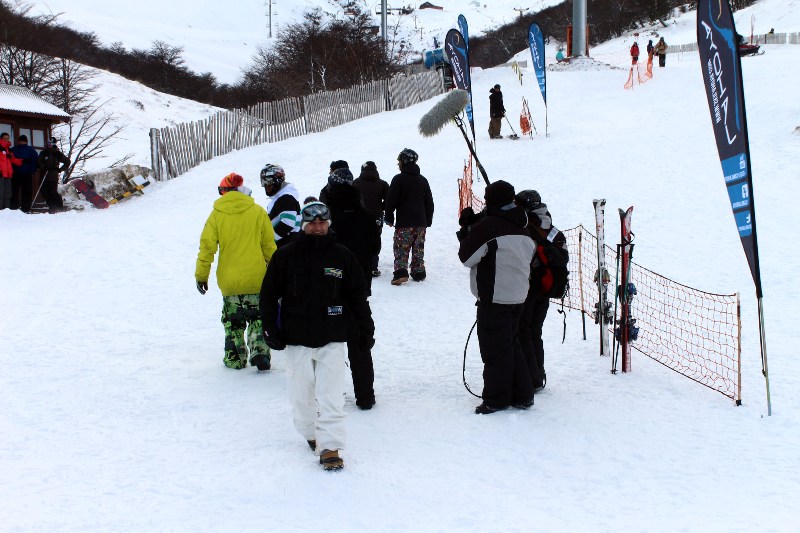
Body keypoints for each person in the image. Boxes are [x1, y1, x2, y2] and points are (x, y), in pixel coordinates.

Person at [260, 201, 375, 470]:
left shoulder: (342, 256)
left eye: (322, 223)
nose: (318, 227)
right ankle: (311, 433)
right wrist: (270, 327)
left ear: (328, 224)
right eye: (312, 223)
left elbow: (358, 297)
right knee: (301, 397)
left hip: (331, 337)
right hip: (296, 338)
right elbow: (268, 295)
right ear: (303, 225)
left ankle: (331, 447)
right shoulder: (285, 256)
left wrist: (365, 328)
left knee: (331, 396)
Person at [457, 180, 535, 414]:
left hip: (495, 297)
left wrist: (468, 231)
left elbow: (466, 257)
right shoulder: (523, 225)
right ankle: (522, 394)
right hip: (519, 295)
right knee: (512, 345)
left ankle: (496, 398)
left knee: (494, 350)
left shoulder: (489, 227)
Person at [195, 173, 277, 371]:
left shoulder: (216, 215)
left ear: (224, 191)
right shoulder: (257, 212)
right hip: (256, 279)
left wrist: (201, 275)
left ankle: (235, 357)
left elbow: (207, 248)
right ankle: (259, 352)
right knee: (258, 318)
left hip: (229, 281)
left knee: (233, 322)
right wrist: (277, 272)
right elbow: (269, 246)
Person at [324, 167, 380, 410]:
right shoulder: (366, 215)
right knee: (360, 343)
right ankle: (365, 396)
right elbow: (375, 247)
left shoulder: (326, 218)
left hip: (329, 288)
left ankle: (330, 395)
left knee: (327, 346)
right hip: (359, 287)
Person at [514, 190, 562, 392]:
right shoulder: (551, 227)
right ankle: (538, 374)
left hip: (529, 286)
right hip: (546, 288)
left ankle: (531, 377)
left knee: (523, 331)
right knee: (535, 331)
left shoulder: (526, 226)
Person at [384, 148, 434, 285]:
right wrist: (427, 221)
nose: (398, 163)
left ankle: (401, 273)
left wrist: (389, 218)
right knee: (418, 249)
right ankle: (418, 272)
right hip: (421, 223)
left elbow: (390, 200)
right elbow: (429, 203)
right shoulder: (423, 180)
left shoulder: (398, 179)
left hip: (405, 223)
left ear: (404, 161)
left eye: (399, 161)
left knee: (401, 247)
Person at [353, 160, 389, 277]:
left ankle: (360, 266)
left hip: (359, 216)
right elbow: (389, 200)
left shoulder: (355, 183)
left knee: (359, 239)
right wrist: (380, 207)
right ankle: (373, 267)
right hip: (376, 216)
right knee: (375, 240)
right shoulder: (382, 184)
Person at [260, 163, 300, 247]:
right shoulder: (278, 199)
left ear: (279, 180)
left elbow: (287, 224)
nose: (266, 185)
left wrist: (267, 242)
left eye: (269, 181)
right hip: (284, 246)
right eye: (263, 182)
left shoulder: (286, 198)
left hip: (287, 247)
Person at [36, 137, 70, 213]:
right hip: (44, 175)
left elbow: (67, 161)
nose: (49, 145)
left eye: (50, 143)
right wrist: (42, 166)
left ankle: (59, 207)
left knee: (53, 192)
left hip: (53, 176)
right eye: (48, 143)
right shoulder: (43, 153)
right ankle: (52, 207)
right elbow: (38, 161)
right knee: (44, 192)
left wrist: (61, 169)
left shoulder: (57, 153)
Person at [10, 134, 38, 212]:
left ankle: (13, 208)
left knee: (14, 191)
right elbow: (35, 161)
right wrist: (32, 171)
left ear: (19, 141)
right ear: (26, 141)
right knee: (27, 192)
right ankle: (25, 208)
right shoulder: (31, 150)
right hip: (27, 173)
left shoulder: (13, 149)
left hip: (15, 173)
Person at [0, 132, 21, 210]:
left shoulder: (8, 149)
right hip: (1, 173)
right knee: (0, 191)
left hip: (8, 174)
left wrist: (22, 161)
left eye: (7, 138)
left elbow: (13, 160)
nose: (6, 140)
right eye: (4, 138)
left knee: (8, 192)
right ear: (1, 139)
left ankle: (6, 209)